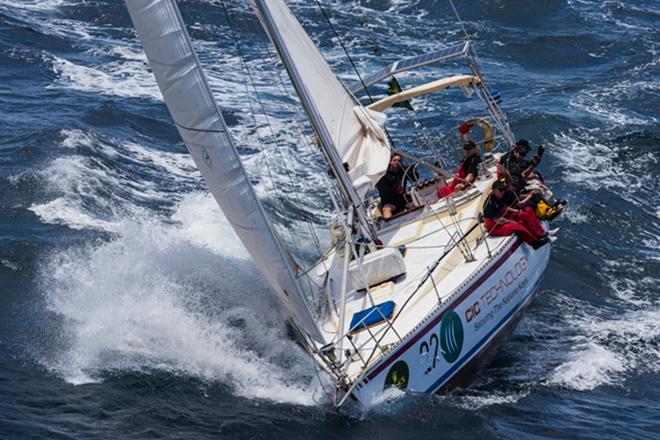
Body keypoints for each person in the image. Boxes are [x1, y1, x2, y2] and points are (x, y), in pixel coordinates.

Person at [483, 180, 558, 249]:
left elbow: (506, 208)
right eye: (501, 190)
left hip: (502, 217)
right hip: (495, 227)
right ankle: (535, 243)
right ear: (494, 190)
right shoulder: (490, 204)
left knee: (524, 215)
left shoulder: (498, 196)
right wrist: (512, 222)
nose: (503, 192)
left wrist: (517, 211)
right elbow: (499, 220)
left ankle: (541, 234)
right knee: (516, 226)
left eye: (503, 190)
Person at [376, 153, 410, 219]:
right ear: (390, 162)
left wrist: (411, 170)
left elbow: (414, 178)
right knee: (386, 210)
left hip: (402, 200)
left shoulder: (403, 171)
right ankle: (389, 225)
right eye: (394, 160)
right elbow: (383, 190)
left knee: (415, 203)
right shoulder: (384, 174)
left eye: (399, 161)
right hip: (390, 202)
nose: (397, 162)